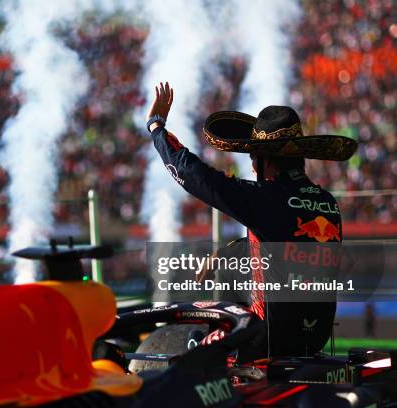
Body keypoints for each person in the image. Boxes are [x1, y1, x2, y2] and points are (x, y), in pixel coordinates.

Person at [145, 82, 358, 360]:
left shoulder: (265, 198)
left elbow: (196, 176)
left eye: (253, 158)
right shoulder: (328, 203)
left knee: (192, 342)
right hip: (315, 339)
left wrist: (156, 128)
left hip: (266, 339)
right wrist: (226, 254)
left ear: (265, 160)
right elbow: (285, 241)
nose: (252, 166)